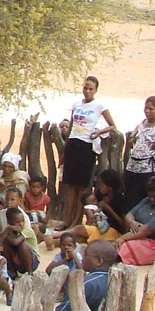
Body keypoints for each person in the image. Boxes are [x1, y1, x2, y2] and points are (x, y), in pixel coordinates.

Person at [61, 76, 117, 225]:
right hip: (73, 144)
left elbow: (112, 125)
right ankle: (67, 219)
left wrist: (99, 132)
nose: (87, 91)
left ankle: (77, 219)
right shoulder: (76, 104)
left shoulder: (99, 106)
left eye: (91, 89)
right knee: (70, 184)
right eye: (85, 88)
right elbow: (71, 125)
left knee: (82, 186)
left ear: (96, 90)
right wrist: (65, 148)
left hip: (86, 146)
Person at [54, 240, 117, 311]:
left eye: (86, 255)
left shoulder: (86, 284)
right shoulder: (116, 281)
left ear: (99, 261)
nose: (83, 258)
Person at [1, 207, 39, 277]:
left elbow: (15, 242)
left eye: (22, 221)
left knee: (23, 245)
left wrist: (6, 235)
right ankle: (12, 272)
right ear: (9, 222)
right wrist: (8, 230)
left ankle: (30, 273)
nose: (21, 224)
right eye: (17, 222)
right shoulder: (9, 230)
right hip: (18, 262)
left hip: (32, 262)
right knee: (3, 246)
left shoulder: (27, 229)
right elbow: (0, 242)